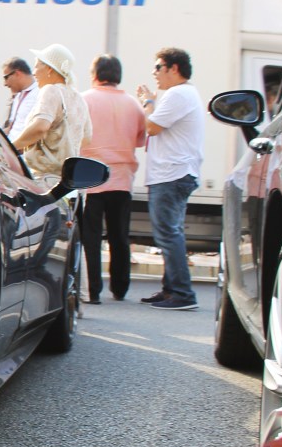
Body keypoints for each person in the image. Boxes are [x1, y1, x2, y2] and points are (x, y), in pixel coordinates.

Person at [134, 48, 205, 310]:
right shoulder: (182, 94)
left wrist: (148, 102)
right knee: (169, 233)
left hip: (171, 174)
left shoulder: (179, 93)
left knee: (168, 234)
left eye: (158, 67)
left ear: (174, 68)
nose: (154, 73)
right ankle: (170, 290)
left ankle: (183, 295)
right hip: (174, 173)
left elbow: (151, 127)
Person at [79, 54, 147, 304]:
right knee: (120, 235)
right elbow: (139, 139)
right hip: (123, 177)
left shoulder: (84, 100)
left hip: (91, 178)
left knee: (91, 236)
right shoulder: (133, 104)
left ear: (95, 74)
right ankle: (120, 287)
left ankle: (92, 289)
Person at [11, 43, 91, 180]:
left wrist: (11, 148)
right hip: (68, 182)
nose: (34, 72)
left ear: (49, 68)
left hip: (45, 180)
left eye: (36, 66)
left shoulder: (51, 90)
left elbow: (40, 127)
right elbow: (87, 138)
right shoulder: (79, 98)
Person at [1, 57, 38, 140]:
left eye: (6, 77)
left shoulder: (40, 94)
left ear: (17, 73)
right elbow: (13, 128)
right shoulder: (18, 96)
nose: (5, 84)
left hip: (25, 151)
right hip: (11, 150)